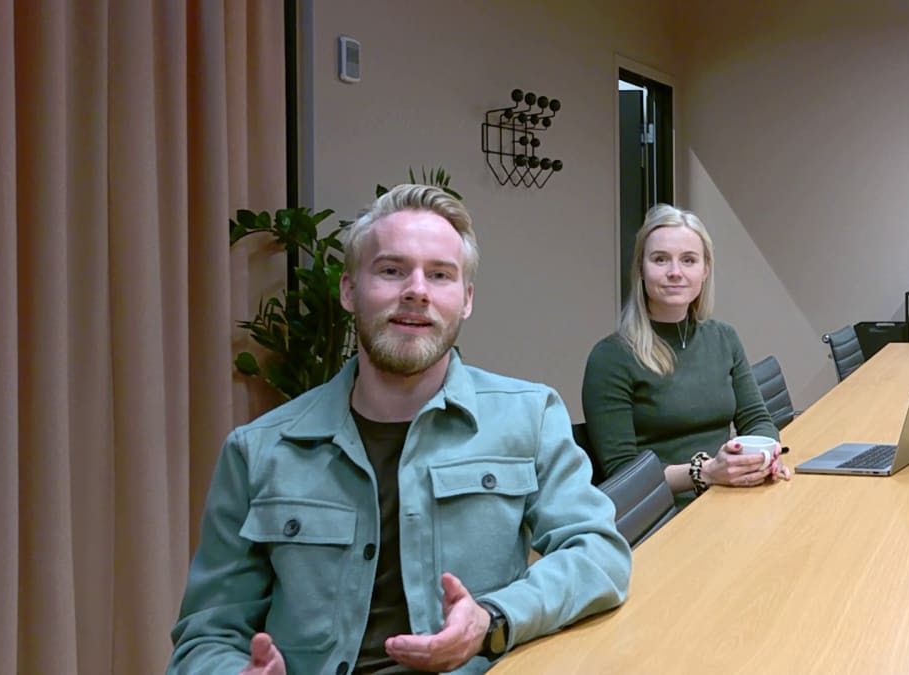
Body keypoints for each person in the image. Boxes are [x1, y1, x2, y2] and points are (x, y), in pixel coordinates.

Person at [169, 184, 631, 675]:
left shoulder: (530, 417)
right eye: (391, 270)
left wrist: (492, 619)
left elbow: (597, 553)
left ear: (466, 300)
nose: (416, 290)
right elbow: (207, 635)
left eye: (440, 274)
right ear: (349, 289)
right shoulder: (258, 451)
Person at [582, 204, 791, 511]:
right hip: (658, 513)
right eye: (660, 259)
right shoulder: (611, 357)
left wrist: (762, 458)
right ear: (640, 268)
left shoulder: (724, 338)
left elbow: (757, 419)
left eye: (689, 260)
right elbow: (623, 473)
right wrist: (705, 472)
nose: (675, 272)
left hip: (727, 496)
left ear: (705, 270)